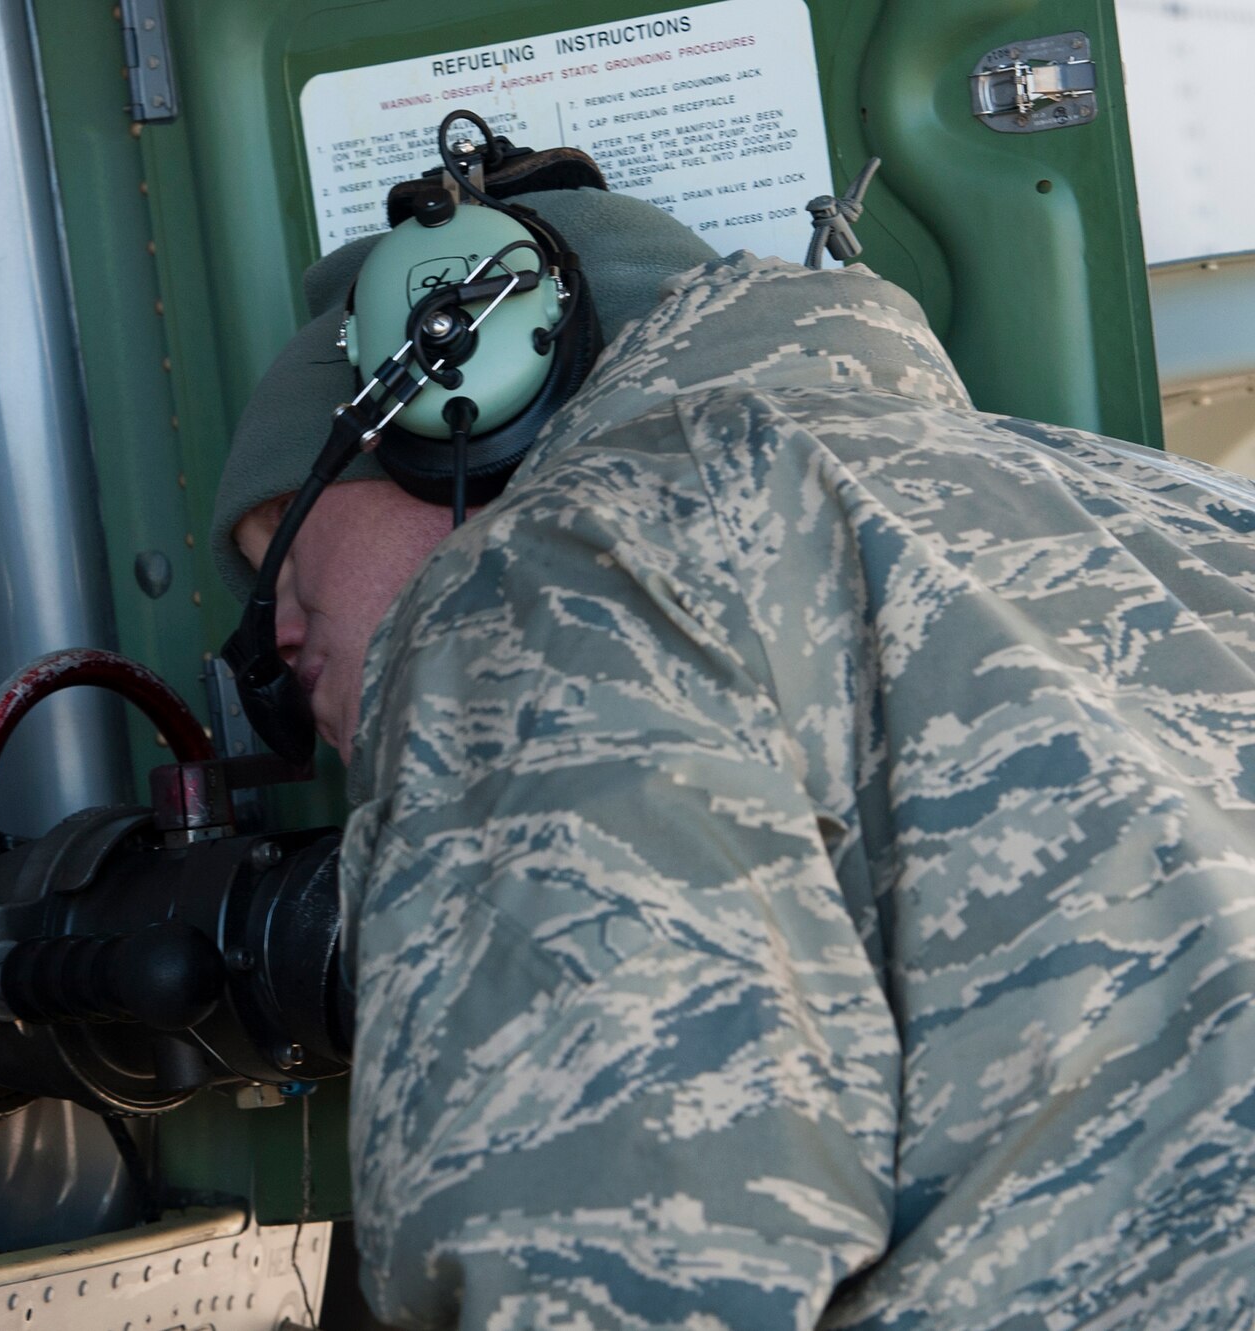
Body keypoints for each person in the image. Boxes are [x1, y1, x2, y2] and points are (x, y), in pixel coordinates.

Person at [210, 188, 1255, 1329]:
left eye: (284, 549)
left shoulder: (556, 576)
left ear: (455, 423)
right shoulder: (1173, 504)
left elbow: (612, 1260)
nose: (276, 635)